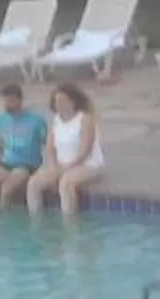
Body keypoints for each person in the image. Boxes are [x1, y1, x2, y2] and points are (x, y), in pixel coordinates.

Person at [30, 83, 106, 215]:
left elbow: (85, 151)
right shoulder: (56, 121)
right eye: (56, 102)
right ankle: (36, 221)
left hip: (88, 164)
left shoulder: (85, 119)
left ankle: (70, 225)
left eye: (62, 101)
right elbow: (50, 149)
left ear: (73, 101)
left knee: (65, 184)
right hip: (62, 165)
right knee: (34, 183)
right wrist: (53, 168)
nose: (59, 105)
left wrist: (64, 170)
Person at [0, 80, 48, 216]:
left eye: (10, 101)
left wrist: (47, 168)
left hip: (27, 164)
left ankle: (7, 222)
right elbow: (2, 141)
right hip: (6, 162)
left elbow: (47, 144)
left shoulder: (36, 120)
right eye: (5, 101)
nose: (7, 105)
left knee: (7, 189)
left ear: (20, 100)